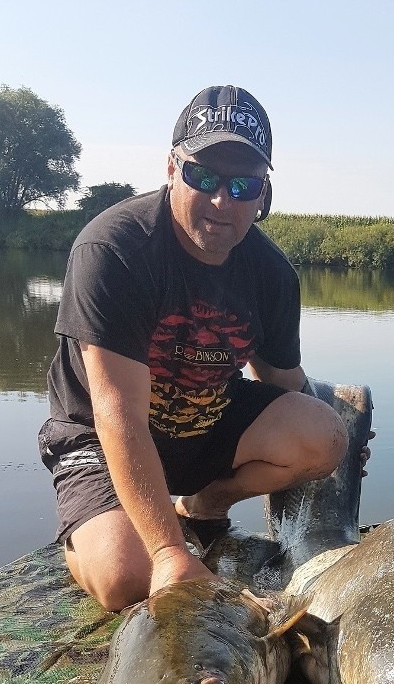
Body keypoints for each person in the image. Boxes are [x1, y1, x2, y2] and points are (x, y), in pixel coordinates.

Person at [39, 84, 354, 612]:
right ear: (170, 169)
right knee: (127, 580)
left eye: (243, 184)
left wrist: (345, 430)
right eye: (202, 177)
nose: (221, 201)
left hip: (202, 427)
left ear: (264, 193)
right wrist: (168, 553)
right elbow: (118, 416)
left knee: (324, 436)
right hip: (100, 436)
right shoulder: (114, 251)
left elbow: (284, 384)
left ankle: (205, 502)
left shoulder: (271, 274)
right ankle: (105, 528)